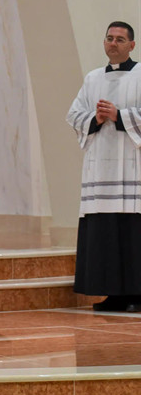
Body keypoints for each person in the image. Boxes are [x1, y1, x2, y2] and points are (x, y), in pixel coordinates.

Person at [67, 20, 141, 312]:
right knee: (106, 231)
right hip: (101, 168)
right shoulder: (93, 78)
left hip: (134, 165)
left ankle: (137, 293)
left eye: (120, 39)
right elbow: (74, 114)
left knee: (133, 229)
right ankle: (111, 293)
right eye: (109, 38)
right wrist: (94, 120)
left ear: (132, 45)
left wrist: (120, 115)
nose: (113, 43)